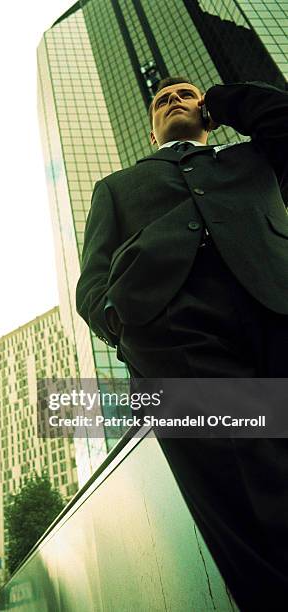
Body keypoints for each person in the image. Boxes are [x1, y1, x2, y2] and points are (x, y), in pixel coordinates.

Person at [76, 77, 288, 609]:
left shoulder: (255, 158)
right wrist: (122, 325)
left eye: (185, 95)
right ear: (150, 134)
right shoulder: (117, 185)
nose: (172, 100)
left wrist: (222, 98)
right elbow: (92, 278)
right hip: (172, 330)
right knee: (238, 491)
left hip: (277, 304)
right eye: (160, 101)